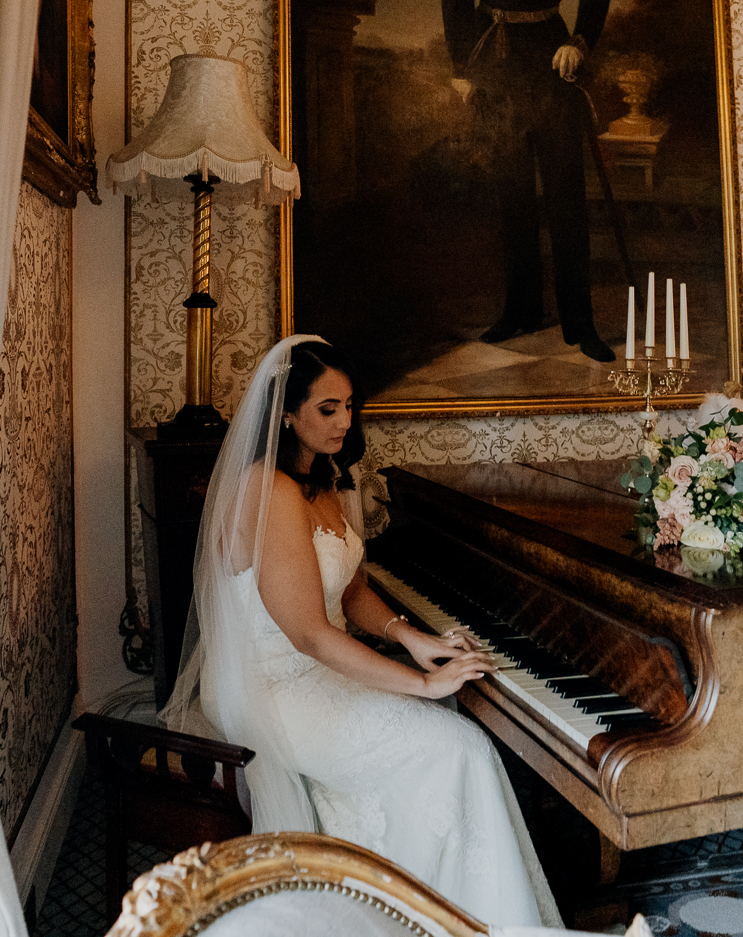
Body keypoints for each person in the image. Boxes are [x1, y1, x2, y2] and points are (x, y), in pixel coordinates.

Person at [161, 335, 560, 927]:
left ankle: (441, 909)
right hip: (269, 688)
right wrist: (422, 685)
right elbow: (310, 634)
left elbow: (351, 588)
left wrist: (412, 638)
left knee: (453, 740)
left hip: (315, 669)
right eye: (328, 409)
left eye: (350, 406)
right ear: (289, 415)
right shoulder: (266, 492)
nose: (345, 421)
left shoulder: (331, 482)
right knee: (461, 746)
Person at [442, 0, 615, 363]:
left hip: (549, 53)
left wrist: (579, 42)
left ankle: (579, 322)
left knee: (565, 193)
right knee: (511, 192)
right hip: (494, 58)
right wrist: (461, 64)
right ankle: (520, 311)